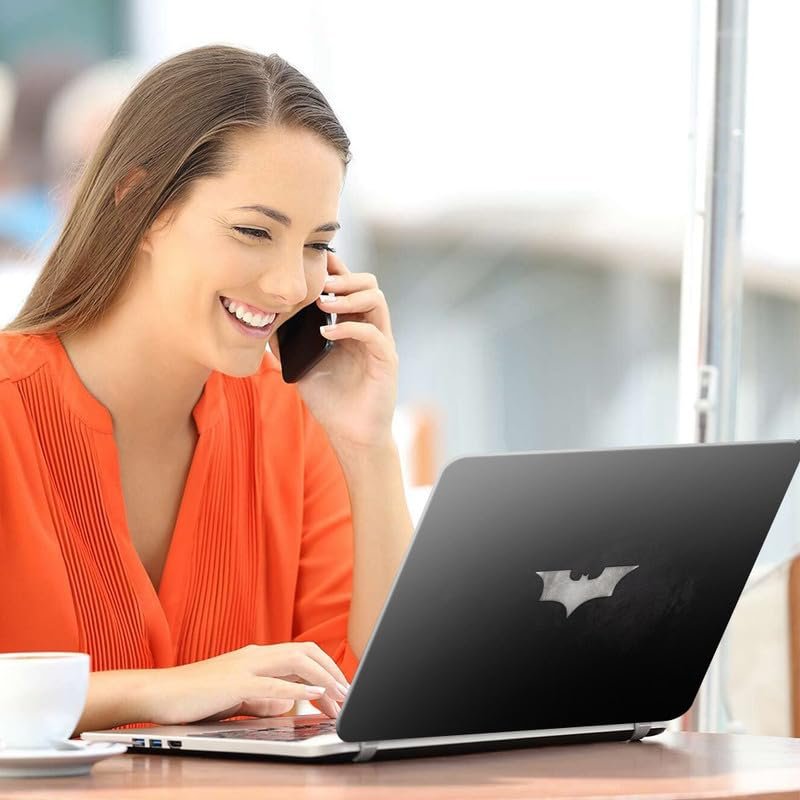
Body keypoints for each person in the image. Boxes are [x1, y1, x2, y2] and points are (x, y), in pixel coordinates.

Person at [0, 44, 413, 734]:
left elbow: (384, 689)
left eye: (316, 245)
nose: (289, 284)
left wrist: (368, 447)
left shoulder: (294, 419)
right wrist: (163, 692)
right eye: (253, 231)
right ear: (139, 203)